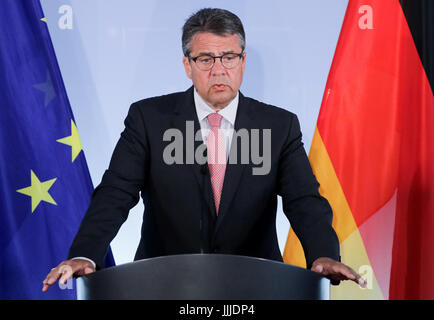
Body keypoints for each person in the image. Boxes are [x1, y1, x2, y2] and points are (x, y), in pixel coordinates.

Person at [43, 8, 366, 293]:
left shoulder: (279, 125)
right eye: (206, 59)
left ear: (242, 61)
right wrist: (84, 254)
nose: (218, 69)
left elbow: (303, 200)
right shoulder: (149, 119)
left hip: (255, 285)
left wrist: (323, 253)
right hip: (163, 284)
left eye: (229, 57)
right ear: (187, 64)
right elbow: (115, 194)